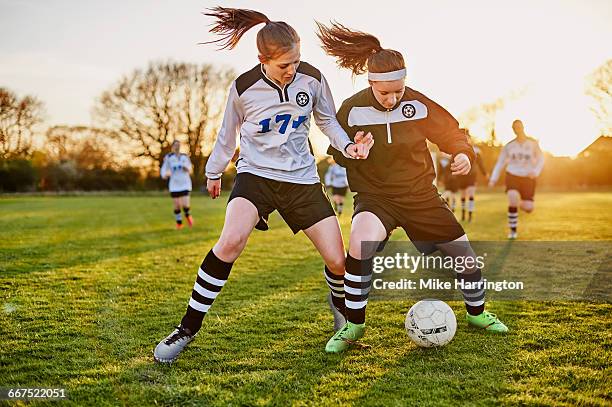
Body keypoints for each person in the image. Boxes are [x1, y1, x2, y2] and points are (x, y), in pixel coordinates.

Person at [153, 7, 373, 363]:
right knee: (231, 241)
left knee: (337, 260)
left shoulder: (313, 78)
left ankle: (342, 320)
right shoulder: (243, 87)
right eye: (285, 65)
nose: (293, 70)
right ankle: (186, 329)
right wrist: (213, 172)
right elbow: (226, 136)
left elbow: (327, 120)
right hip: (256, 176)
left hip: (302, 179)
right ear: (262, 60)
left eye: (297, 61)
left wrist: (347, 145)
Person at [316, 21, 509, 353]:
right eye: (384, 92)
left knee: (465, 257)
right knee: (359, 243)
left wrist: (463, 153)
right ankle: (353, 325)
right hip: (376, 197)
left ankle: (478, 314)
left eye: (398, 90)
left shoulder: (418, 104)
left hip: (420, 195)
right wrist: (354, 151)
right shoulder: (352, 108)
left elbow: (452, 133)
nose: (392, 98)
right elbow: (337, 150)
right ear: (371, 82)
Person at [489, 119, 544, 239]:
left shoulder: (533, 143)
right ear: (513, 130)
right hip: (512, 174)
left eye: (519, 127)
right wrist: (493, 178)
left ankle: (522, 203)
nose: (517, 130)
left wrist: (536, 171)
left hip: (528, 177)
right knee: (512, 198)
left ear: (523, 127)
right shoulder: (509, 146)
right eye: (515, 128)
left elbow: (541, 158)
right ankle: (513, 231)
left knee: (528, 208)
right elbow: (500, 162)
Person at [160, 140, 194, 229]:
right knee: (177, 205)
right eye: (175, 145)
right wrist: (165, 175)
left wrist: (186, 168)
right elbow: (164, 169)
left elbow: (190, 168)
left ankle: (188, 216)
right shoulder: (168, 157)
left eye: (178, 145)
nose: (177, 147)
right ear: (172, 146)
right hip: (174, 185)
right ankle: (179, 223)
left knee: (185, 204)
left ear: (180, 146)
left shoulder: (185, 156)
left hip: (185, 183)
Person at [457, 130, 488, 222]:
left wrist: (485, 174)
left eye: (467, 137)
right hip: (461, 176)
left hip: (472, 176)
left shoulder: (476, 150)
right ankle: (463, 214)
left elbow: (481, 164)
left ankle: (470, 216)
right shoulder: (458, 150)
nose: (466, 139)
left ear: (470, 138)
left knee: (470, 195)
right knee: (463, 196)